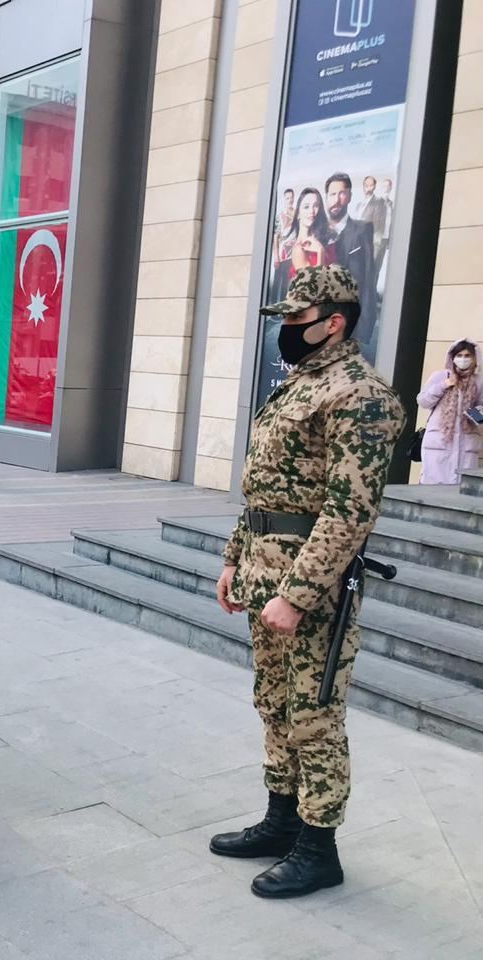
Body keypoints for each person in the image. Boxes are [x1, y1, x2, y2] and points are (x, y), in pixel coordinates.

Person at [214, 265, 404, 899]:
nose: (287, 330)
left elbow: (349, 511)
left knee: (314, 715)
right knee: (273, 703)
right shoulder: (301, 383)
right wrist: (234, 559)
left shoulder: (361, 395)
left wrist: (297, 596)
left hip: (311, 589)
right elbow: (263, 490)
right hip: (262, 570)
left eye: (297, 319)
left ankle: (319, 849)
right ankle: (281, 820)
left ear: (334, 323)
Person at [417, 339, 483, 485]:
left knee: (460, 487)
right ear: (452, 358)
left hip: (466, 444)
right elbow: (423, 401)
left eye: (467, 355)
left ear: (474, 358)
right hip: (439, 442)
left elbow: (481, 412)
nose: (463, 359)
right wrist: (444, 385)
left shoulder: (479, 381)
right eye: (459, 355)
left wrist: (472, 413)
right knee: (433, 486)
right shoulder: (441, 376)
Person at [323, 174, 377, 343]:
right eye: (332, 194)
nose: (336, 200)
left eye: (342, 193)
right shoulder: (317, 233)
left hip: (349, 327)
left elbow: (368, 280)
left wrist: (364, 329)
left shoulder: (362, 230)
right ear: (326, 198)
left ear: (350, 196)